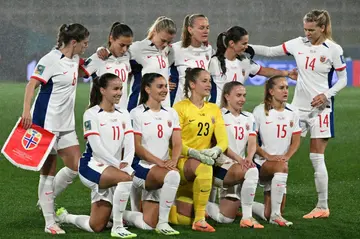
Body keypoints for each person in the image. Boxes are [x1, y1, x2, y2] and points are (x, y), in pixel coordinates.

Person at [250, 9, 347, 219]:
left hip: (321, 110)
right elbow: (268, 51)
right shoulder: (297, 44)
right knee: (280, 153)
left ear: (322, 28)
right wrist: (245, 46)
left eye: (312, 29)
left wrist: (326, 95)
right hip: (296, 110)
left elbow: (343, 79)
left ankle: (322, 206)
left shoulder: (333, 49)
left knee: (316, 157)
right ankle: (269, 197)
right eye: (305, 29)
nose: (307, 33)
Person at [21, 23, 89, 234]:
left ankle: (45, 202)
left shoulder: (76, 60)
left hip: (66, 124)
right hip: (46, 123)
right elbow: (32, 84)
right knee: (48, 172)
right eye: (85, 43)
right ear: (74, 42)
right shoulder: (51, 59)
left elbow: (89, 70)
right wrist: (26, 112)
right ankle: (49, 222)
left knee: (76, 166)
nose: (87, 46)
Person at [56, 73, 136, 238]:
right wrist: (119, 166)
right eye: (115, 89)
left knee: (96, 226)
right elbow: (97, 148)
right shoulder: (91, 114)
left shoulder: (124, 113)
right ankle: (118, 226)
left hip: (112, 169)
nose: (120, 92)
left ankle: (65, 217)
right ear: (102, 91)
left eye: (121, 88)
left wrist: (126, 163)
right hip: (92, 166)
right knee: (125, 178)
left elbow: (130, 143)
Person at [122, 73, 182, 235]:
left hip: (160, 170)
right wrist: (160, 163)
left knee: (148, 224)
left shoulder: (171, 113)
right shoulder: (136, 113)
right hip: (140, 166)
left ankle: (120, 214)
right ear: (147, 89)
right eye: (160, 86)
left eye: (165, 86)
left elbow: (177, 143)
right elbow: (137, 147)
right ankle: (163, 224)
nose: (165, 90)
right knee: (174, 176)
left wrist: (174, 160)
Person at [171, 67, 228, 232]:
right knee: (204, 167)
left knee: (182, 220)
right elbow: (175, 143)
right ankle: (200, 219)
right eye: (204, 81)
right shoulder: (179, 108)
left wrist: (215, 150)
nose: (209, 84)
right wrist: (194, 153)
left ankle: (233, 206)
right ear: (192, 84)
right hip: (182, 162)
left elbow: (223, 140)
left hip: (205, 161)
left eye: (209, 81)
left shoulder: (213, 109)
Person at [205, 81, 263, 228]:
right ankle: (247, 217)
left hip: (238, 167)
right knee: (252, 170)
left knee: (225, 219)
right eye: (238, 95)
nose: (242, 99)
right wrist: (240, 160)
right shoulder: (219, 116)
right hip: (220, 167)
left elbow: (252, 142)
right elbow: (221, 144)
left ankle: (203, 205)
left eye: (244, 95)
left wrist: (249, 158)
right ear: (227, 96)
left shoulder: (249, 117)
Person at [251, 76, 301, 227]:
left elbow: (296, 140)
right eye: (281, 88)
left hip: (280, 164)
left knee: (266, 213)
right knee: (281, 167)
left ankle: (244, 202)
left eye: (287, 87)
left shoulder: (293, 111)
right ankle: (276, 216)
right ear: (271, 91)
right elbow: (252, 141)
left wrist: (286, 157)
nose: (285, 91)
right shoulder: (259, 111)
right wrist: (268, 156)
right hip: (261, 163)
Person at [209, 26, 298, 106]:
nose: (246, 47)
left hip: (235, 113)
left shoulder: (245, 62)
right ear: (232, 43)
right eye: (243, 44)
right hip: (216, 112)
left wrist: (287, 73)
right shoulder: (214, 62)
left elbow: (265, 71)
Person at [82, 22, 133, 109]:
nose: (124, 49)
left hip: (122, 115)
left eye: (128, 46)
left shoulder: (127, 57)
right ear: (111, 39)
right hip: (101, 115)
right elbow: (80, 73)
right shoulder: (99, 58)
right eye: (122, 45)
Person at [169, 14, 213, 105]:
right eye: (201, 28)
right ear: (190, 30)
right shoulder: (175, 49)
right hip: (178, 105)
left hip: (200, 107)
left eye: (207, 28)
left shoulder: (209, 50)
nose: (206, 31)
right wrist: (164, 81)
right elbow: (157, 66)